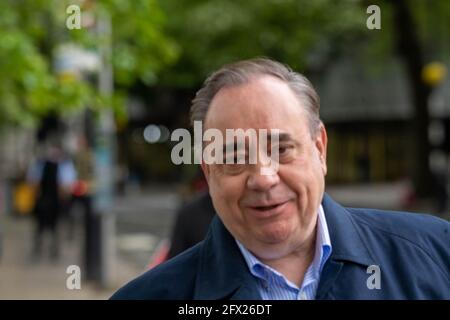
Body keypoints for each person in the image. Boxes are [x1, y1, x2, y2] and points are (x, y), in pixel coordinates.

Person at [111, 58, 450, 300]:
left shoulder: (437, 254)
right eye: (233, 157)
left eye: (282, 148)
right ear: (208, 170)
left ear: (320, 149)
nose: (263, 178)